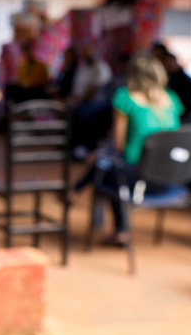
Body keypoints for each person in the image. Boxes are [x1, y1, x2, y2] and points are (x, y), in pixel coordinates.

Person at [72, 55, 184, 246]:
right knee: (107, 166)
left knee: (106, 168)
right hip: (172, 178)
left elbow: (119, 145)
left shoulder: (125, 98)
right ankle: (76, 194)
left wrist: (99, 155)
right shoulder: (172, 99)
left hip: (138, 179)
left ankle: (116, 227)